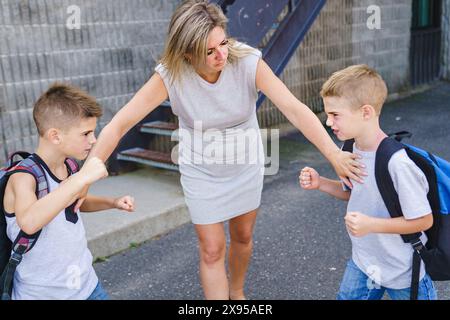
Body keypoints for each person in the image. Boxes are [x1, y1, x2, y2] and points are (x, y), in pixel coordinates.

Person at [82, 0, 363, 300]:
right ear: (187, 54)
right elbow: (119, 124)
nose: (221, 55)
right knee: (212, 249)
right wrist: (82, 179)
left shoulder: (247, 62)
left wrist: (333, 154)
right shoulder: (170, 75)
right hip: (200, 169)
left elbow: (294, 109)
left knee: (242, 237)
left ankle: (237, 291)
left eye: (223, 43)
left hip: (245, 164)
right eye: (209, 51)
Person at [299, 64, 437, 300]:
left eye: (335, 115)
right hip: (364, 262)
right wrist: (320, 182)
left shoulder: (398, 164)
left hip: (404, 271)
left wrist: (371, 224)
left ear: (366, 112)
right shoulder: (349, 149)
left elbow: (423, 220)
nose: (329, 122)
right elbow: (354, 193)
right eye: (327, 115)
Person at [2, 83, 135, 300]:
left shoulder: (70, 166)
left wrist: (112, 202)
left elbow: (74, 203)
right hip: (41, 295)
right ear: (55, 136)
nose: (93, 140)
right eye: (86, 133)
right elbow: (29, 221)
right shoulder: (24, 177)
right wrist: (82, 178)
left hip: (88, 286)